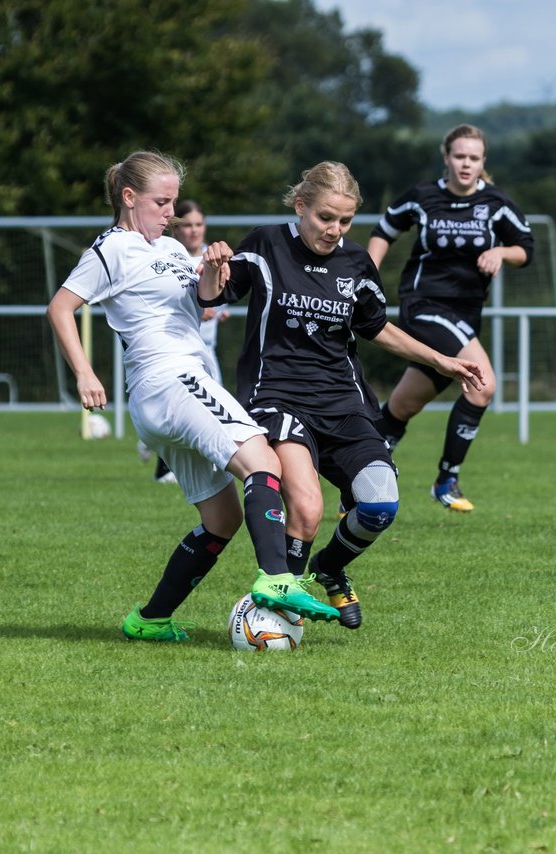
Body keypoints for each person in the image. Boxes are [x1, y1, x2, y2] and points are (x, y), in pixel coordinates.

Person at [46, 151, 339, 642]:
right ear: (128, 196)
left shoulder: (170, 249)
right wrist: (84, 373)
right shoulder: (113, 249)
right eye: (162, 202)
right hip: (169, 379)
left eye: (174, 202)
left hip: (171, 390)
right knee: (261, 460)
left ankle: (150, 619)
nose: (171, 212)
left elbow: (203, 307)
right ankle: (277, 579)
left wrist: (213, 269)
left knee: (222, 518)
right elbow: (60, 307)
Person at [199, 161, 484, 629]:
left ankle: (329, 567)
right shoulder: (267, 244)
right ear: (301, 207)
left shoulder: (355, 263)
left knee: (379, 504)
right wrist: (212, 269)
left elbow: (377, 328)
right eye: (325, 218)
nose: (335, 230)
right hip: (277, 397)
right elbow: (213, 298)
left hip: (344, 402)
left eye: (345, 221)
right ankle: (280, 614)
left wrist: (442, 361)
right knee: (308, 509)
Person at [367, 124, 534, 512]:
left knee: (403, 406)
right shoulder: (423, 197)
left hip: (465, 316)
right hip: (423, 306)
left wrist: (502, 253)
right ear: (446, 157)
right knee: (482, 384)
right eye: (459, 156)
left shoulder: (495, 203)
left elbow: (526, 248)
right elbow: (383, 231)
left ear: (482, 162)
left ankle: (356, 476)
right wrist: (368, 275)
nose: (466, 164)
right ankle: (447, 480)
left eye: (474, 158)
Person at [136, 199, 230, 485]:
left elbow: (219, 298)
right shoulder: (168, 257)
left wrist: (217, 308)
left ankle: (155, 445)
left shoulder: (211, 257)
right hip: (176, 351)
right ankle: (166, 466)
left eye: (198, 224)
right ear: (177, 229)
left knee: (209, 408)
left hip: (206, 351)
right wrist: (201, 310)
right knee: (200, 408)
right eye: (187, 225)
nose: (193, 231)